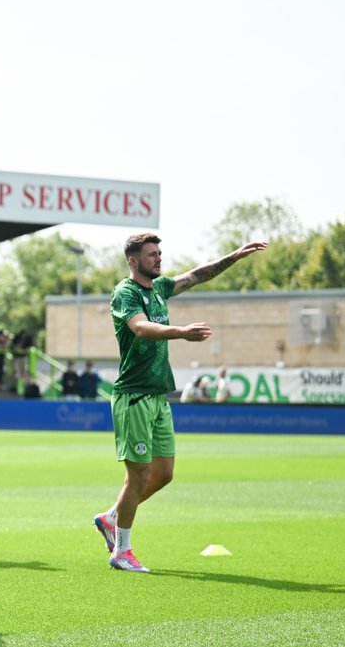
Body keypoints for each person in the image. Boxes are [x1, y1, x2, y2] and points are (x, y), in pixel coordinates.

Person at [93, 232, 266, 573]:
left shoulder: (159, 288)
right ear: (133, 261)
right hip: (134, 396)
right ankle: (122, 551)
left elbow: (197, 275)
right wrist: (182, 332)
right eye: (151, 255)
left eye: (159, 253)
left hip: (158, 395)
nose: (158, 259)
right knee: (139, 475)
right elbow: (141, 329)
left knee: (164, 473)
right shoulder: (125, 292)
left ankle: (111, 517)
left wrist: (234, 256)